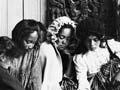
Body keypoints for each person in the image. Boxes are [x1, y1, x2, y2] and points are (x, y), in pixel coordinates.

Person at [73, 18, 120, 90]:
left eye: (95, 40)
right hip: (97, 86)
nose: (92, 44)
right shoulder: (80, 57)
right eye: (88, 40)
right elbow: (82, 79)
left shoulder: (109, 45)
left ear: (100, 38)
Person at [40, 16, 77, 90]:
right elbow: (49, 82)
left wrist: (70, 59)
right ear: (54, 34)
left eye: (68, 39)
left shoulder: (64, 53)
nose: (65, 42)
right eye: (62, 37)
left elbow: (66, 80)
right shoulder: (47, 49)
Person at [11, 19, 45, 90]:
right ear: (19, 37)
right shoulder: (7, 51)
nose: (31, 46)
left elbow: (36, 81)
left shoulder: (34, 54)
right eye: (28, 41)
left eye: (33, 42)